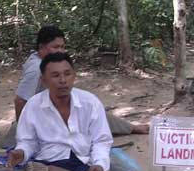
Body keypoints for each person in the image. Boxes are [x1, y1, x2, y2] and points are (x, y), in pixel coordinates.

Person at [7, 52, 112, 171]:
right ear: (44, 80)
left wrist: (99, 164)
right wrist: (21, 152)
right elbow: (27, 141)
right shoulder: (33, 105)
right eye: (55, 75)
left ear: (74, 76)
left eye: (67, 74)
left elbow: (101, 141)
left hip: (83, 161)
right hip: (48, 164)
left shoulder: (90, 103)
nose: (63, 80)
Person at [14, 25, 149, 135]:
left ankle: (128, 127)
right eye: (56, 47)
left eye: (62, 47)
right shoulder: (36, 69)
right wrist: (22, 131)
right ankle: (130, 128)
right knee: (87, 113)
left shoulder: (39, 59)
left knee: (88, 106)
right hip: (46, 114)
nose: (61, 51)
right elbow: (20, 100)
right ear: (42, 47)